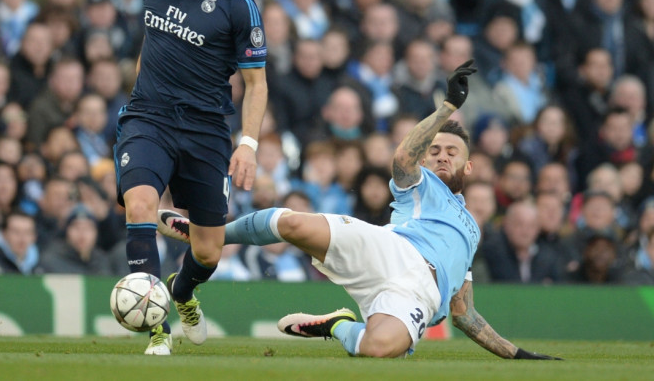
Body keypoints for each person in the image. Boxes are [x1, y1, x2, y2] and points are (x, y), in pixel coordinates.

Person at [158, 60, 560, 360]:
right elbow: (403, 160)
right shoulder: (421, 184)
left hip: (419, 293)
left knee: (378, 348)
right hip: (389, 249)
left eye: (451, 153)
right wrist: (445, 109)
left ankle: (337, 325)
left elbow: (465, 314)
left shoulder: (471, 230)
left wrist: (516, 354)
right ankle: (211, 233)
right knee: (293, 222)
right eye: (434, 151)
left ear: (468, 166)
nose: (441, 158)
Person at [116, 0, 268, 356]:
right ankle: (156, 329)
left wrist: (248, 143)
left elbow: (256, 84)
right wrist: (145, 86)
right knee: (140, 204)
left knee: (208, 251)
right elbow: (152, 38)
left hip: (206, 129)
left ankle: (181, 293)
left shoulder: (239, 4)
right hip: (150, 117)